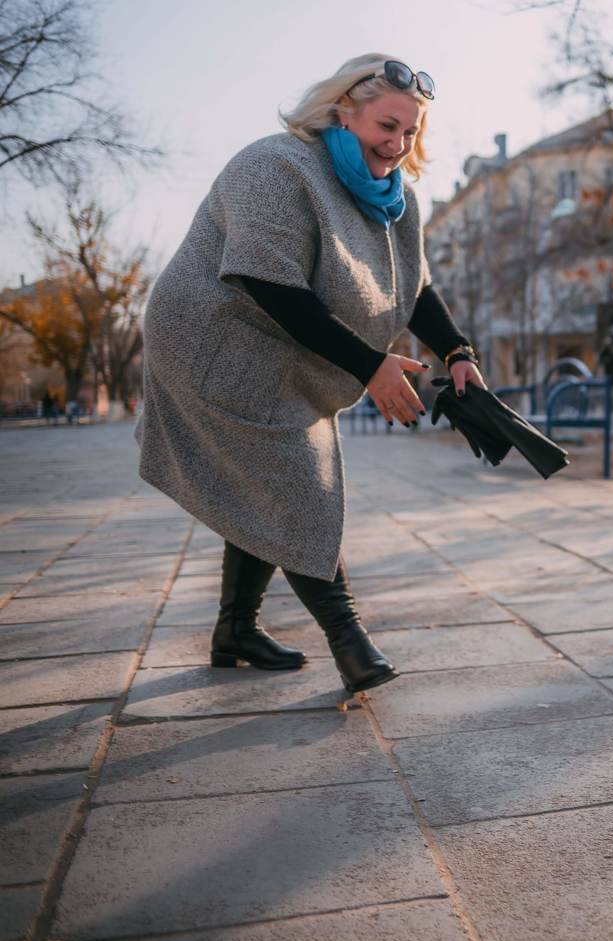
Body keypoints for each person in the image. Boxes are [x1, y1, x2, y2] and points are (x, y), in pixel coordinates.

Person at [137, 54, 486, 696]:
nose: (398, 144)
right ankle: (349, 640)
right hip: (212, 337)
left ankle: (235, 630)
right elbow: (270, 283)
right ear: (343, 112)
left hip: (287, 348)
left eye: (410, 132)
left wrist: (458, 352)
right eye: (386, 126)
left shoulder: (396, 200)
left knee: (266, 480)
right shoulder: (276, 166)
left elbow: (415, 289)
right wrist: (370, 365)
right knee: (295, 476)